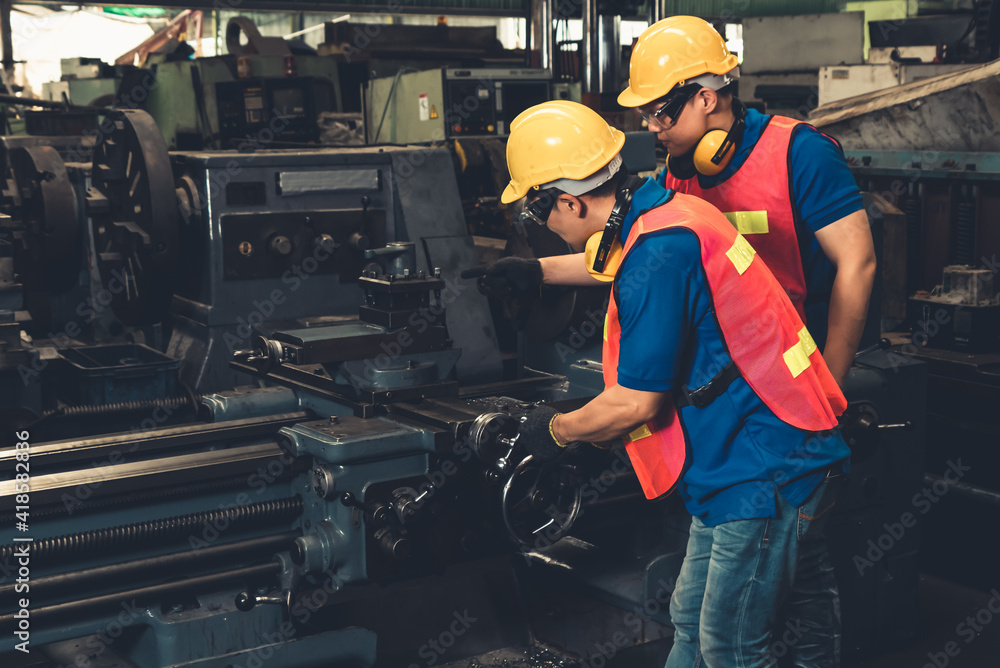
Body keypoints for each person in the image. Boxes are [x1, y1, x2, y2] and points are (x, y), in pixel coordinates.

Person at [490, 100, 851, 667]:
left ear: (568, 200)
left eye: (539, 217)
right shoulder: (665, 210)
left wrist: (553, 431)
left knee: (729, 644)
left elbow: (636, 402)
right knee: (692, 622)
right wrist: (536, 271)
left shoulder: (657, 251)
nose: (544, 230)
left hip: (761, 464)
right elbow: (616, 254)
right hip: (735, 453)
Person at [490, 16, 875, 389]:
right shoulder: (678, 171)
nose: (650, 127)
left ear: (705, 98)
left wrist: (831, 383)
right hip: (720, 371)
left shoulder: (799, 152)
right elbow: (635, 255)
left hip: (791, 365)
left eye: (659, 114)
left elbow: (858, 263)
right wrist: (536, 271)